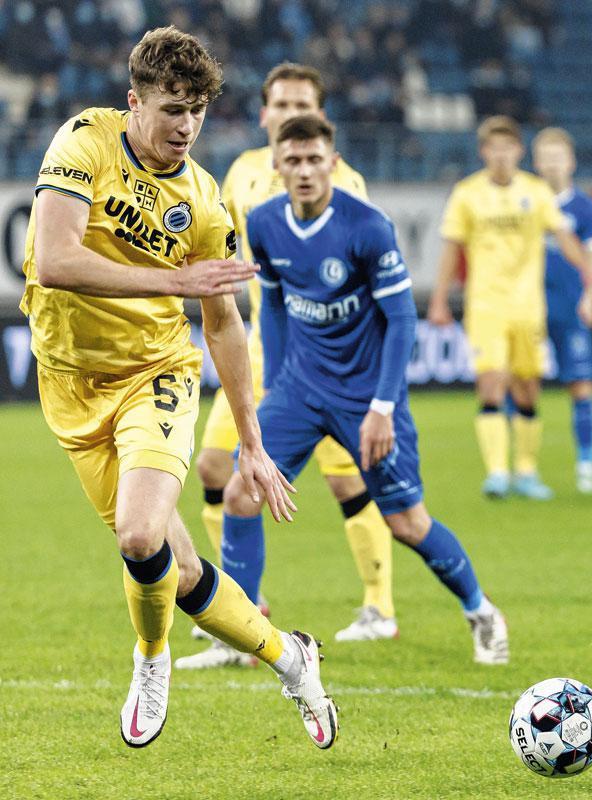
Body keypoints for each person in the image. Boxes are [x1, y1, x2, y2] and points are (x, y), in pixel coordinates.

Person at [20, 27, 337, 749]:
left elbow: (223, 326)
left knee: (138, 535)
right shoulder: (82, 142)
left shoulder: (202, 202)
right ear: (134, 102)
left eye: (197, 110)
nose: (185, 126)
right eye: (171, 109)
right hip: (68, 381)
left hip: (153, 374)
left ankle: (152, 657)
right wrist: (173, 281)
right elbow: (54, 259)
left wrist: (252, 439)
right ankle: (292, 657)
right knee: (177, 563)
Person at [225, 114, 510, 665]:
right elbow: (277, 303)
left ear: (333, 163)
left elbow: (402, 320)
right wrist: (277, 382)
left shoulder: (366, 226)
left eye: (315, 160)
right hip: (300, 389)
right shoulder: (262, 223)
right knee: (242, 490)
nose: (305, 170)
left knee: (406, 522)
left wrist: (383, 406)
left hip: (367, 397)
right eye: (294, 160)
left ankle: (481, 610)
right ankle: (240, 634)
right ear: (277, 165)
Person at [186, 64, 397, 668]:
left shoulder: (345, 180)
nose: (286, 111)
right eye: (278, 103)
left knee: (344, 480)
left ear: (322, 120)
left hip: (325, 359)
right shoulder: (244, 172)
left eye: (300, 103)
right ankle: (242, 613)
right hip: (255, 348)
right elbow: (220, 241)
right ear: (262, 114)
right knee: (213, 466)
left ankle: (379, 608)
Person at [428, 115, 592, 500]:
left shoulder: (535, 192)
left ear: (518, 151)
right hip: (486, 305)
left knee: (527, 390)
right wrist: (439, 300)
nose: (501, 155)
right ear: (483, 152)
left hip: (528, 307)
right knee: (491, 382)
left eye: (508, 147)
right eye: (493, 148)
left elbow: (562, 234)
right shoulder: (467, 194)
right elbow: (452, 248)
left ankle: (525, 471)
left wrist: (587, 270)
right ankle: (497, 472)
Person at [531, 127, 592, 493]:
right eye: (546, 158)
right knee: (521, 383)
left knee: (580, 385)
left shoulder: (584, 208)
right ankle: (520, 467)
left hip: (569, 307)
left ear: (571, 162)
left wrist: (591, 297)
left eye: (558, 157)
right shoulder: (525, 201)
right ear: (535, 162)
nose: (552, 165)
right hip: (527, 308)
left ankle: (586, 465)